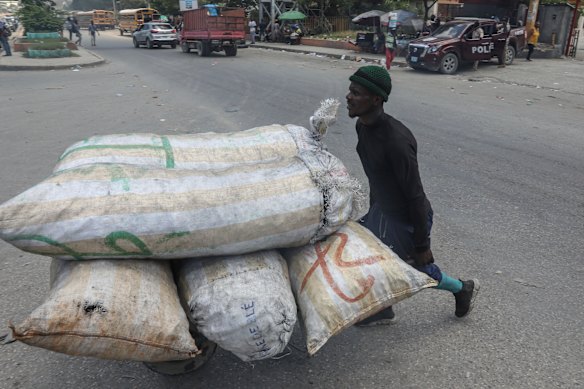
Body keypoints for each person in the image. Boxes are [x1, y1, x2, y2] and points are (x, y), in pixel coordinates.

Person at [346, 66, 480, 326]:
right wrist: (374, 213)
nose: (348, 97)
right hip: (383, 211)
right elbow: (377, 177)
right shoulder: (363, 127)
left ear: (376, 99)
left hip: (407, 218)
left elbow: (415, 195)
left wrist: (422, 245)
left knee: (415, 271)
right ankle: (384, 309)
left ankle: (462, 288)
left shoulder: (396, 141)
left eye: (356, 92)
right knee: (365, 254)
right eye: (350, 90)